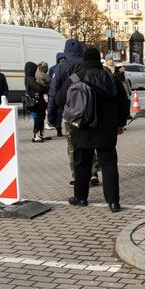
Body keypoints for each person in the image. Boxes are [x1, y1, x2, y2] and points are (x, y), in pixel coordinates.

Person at [56, 47, 130, 212]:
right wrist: (120, 123)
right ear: (99, 60)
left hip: (82, 128)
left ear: (84, 59)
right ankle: (113, 202)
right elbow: (124, 102)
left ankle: (81, 197)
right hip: (106, 129)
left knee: (81, 163)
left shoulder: (75, 78)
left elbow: (60, 99)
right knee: (109, 164)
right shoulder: (110, 78)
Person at [51, 39, 100, 187]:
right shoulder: (86, 65)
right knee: (90, 140)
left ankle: (76, 175)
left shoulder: (61, 67)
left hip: (70, 112)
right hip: (90, 109)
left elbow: (54, 92)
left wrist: (51, 116)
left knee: (73, 144)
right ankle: (93, 173)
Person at [25, 62, 49, 143]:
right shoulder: (29, 78)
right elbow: (38, 88)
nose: (36, 70)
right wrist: (47, 88)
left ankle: (41, 134)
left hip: (39, 102)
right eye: (34, 69)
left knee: (41, 117)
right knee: (38, 118)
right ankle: (36, 135)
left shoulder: (32, 77)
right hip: (36, 102)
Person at [47, 52, 66, 135]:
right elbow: (49, 80)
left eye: (63, 58)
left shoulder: (66, 67)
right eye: (60, 59)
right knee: (58, 111)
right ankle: (58, 127)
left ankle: (59, 127)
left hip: (63, 92)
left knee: (62, 112)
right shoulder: (52, 69)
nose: (62, 60)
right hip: (56, 92)